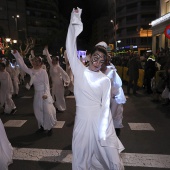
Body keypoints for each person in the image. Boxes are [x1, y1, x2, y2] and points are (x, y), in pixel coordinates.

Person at [66, 8, 124, 169]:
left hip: (99, 121)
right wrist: (75, 19)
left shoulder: (105, 80)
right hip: (82, 121)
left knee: (109, 157)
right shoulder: (79, 70)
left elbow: (105, 107)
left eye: (102, 60)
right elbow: (70, 47)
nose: (98, 62)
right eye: (96, 58)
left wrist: (105, 130)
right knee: (80, 155)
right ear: (90, 56)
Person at [11, 50, 57, 135]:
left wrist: (46, 94)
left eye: (37, 61)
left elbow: (47, 84)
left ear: (40, 63)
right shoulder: (31, 71)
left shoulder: (43, 72)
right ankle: (42, 126)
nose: (35, 63)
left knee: (48, 111)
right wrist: (16, 54)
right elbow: (22, 65)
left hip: (44, 94)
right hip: (37, 94)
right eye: (34, 61)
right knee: (37, 111)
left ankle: (50, 128)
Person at [98, 42, 126, 137]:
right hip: (104, 108)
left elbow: (115, 97)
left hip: (113, 107)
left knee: (114, 129)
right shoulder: (96, 72)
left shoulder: (111, 72)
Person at [43, 47, 70, 112]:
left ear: (57, 61)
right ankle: (57, 106)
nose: (53, 61)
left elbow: (64, 74)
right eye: (52, 60)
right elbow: (48, 57)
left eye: (54, 60)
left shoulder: (58, 67)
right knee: (54, 96)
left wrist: (66, 81)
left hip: (59, 84)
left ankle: (62, 107)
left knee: (60, 96)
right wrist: (46, 50)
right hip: (54, 84)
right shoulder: (51, 65)